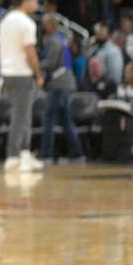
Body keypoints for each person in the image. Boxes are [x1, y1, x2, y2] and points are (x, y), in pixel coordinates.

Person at [0, 0, 45, 174]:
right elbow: (31, 54)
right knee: (20, 116)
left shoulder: (5, 21)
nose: (36, 4)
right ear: (24, 1)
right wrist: (38, 74)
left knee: (24, 114)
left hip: (8, 72)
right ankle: (13, 156)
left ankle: (25, 154)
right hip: (21, 73)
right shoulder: (26, 23)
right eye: (34, 0)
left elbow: (1, 47)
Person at [37, 12, 84, 163]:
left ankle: (47, 153)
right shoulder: (61, 39)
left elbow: (50, 63)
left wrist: (35, 65)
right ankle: (77, 152)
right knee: (65, 119)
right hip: (66, 82)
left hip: (59, 83)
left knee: (49, 118)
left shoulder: (53, 41)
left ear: (50, 25)